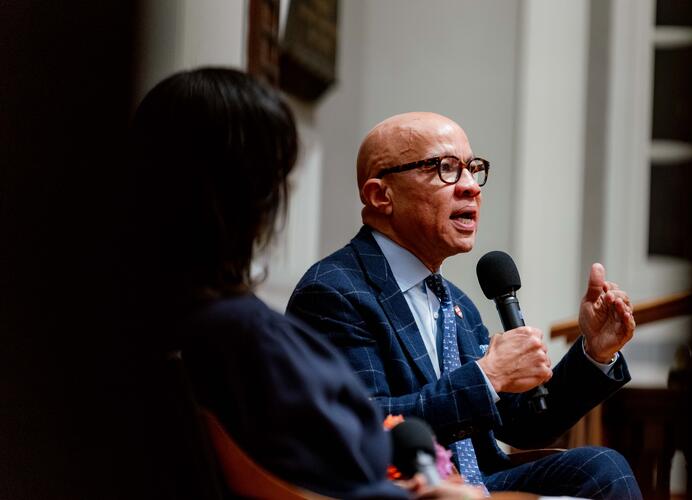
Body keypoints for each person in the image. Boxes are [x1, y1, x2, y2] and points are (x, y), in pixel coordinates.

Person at [129, 70, 483, 499]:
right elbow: (342, 470)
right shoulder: (254, 325)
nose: (468, 186)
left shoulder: (157, 316)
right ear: (248, 195)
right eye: (278, 176)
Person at [288, 112, 643, 498]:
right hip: (406, 489)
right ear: (380, 195)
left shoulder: (454, 302)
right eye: (445, 169)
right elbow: (363, 423)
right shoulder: (334, 292)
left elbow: (523, 424)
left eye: (474, 169)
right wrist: (485, 377)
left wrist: (595, 352)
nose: (472, 187)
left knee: (602, 468)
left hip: (481, 482)